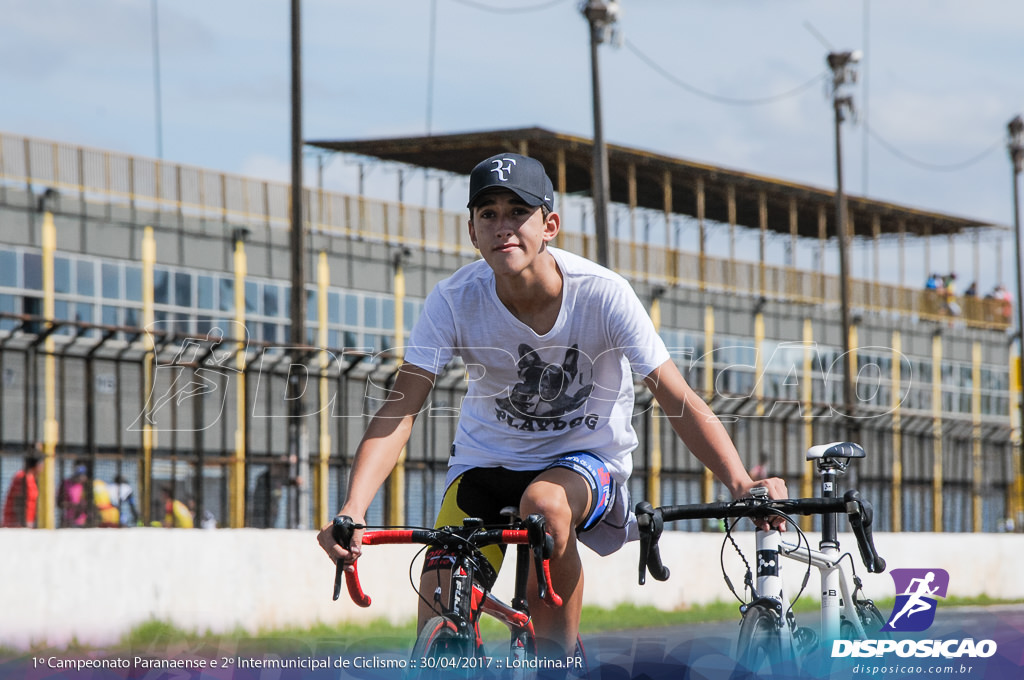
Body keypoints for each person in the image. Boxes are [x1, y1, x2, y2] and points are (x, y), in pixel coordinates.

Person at [316, 152, 788, 657]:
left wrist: (741, 482)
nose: (503, 227)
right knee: (438, 617)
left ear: (550, 225)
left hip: (584, 465)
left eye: (518, 212)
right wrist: (353, 509)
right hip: (486, 464)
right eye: (488, 214)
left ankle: (556, 663)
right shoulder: (453, 299)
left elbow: (675, 395)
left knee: (542, 505)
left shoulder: (604, 295)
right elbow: (401, 409)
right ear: (472, 232)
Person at [3, 455, 42, 528]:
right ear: (36, 465)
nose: (42, 468)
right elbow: (18, 501)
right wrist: (23, 523)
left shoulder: (31, 478)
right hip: (16, 524)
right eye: (41, 465)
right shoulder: (22, 477)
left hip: (27, 522)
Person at [57, 463, 89, 528]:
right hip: (67, 520)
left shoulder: (86, 486)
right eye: (80, 475)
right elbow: (59, 503)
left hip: (81, 521)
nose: (82, 478)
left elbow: (88, 504)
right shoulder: (65, 484)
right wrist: (72, 505)